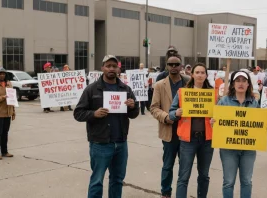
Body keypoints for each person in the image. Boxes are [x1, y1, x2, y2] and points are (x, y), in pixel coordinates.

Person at [73, 55, 139, 198]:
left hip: (121, 142)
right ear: (102, 68)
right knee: (97, 181)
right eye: (108, 66)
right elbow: (78, 113)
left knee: (117, 180)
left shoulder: (125, 89)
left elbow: (134, 114)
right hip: (100, 143)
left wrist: (133, 106)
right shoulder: (91, 89)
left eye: (114, 66)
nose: (111, 69)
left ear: (118, 68)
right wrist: (94, 114)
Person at [211, 71, 267, 198]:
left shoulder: (254, 103)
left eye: (244, 80)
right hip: (228, 150)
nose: (241, 83)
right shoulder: (224, 102)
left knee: (247, 182)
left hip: (248, 150)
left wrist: (266, 127)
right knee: (228, 182)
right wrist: (213, 122)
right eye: (237, 80)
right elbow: (218, 123)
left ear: (248, 84)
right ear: (233, 84)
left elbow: (259, 125)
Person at [168, 63, 214, 198]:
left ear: (206, 75)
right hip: (188, 140)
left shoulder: (213, 94)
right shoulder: (183, 93)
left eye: (202, 72)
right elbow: (171, 113)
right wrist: (176, 113)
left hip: (207, 140)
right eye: (197, 72)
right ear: (192, 75)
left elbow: (221, 114)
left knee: (204, 175)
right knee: (184, 175)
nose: (200, 75)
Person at [150, 54, 189, 198]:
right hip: (169, 131)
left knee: (184, 167)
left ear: (181, 66)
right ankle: (165, 192)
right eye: (170, 64)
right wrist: (167, 117)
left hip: (186, 131)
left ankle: (180, 192)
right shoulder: (160, 85)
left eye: (176, 64)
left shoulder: (188, 83)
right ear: (166, 66)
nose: (173, 67)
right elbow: (154, 108)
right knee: (168, 165)